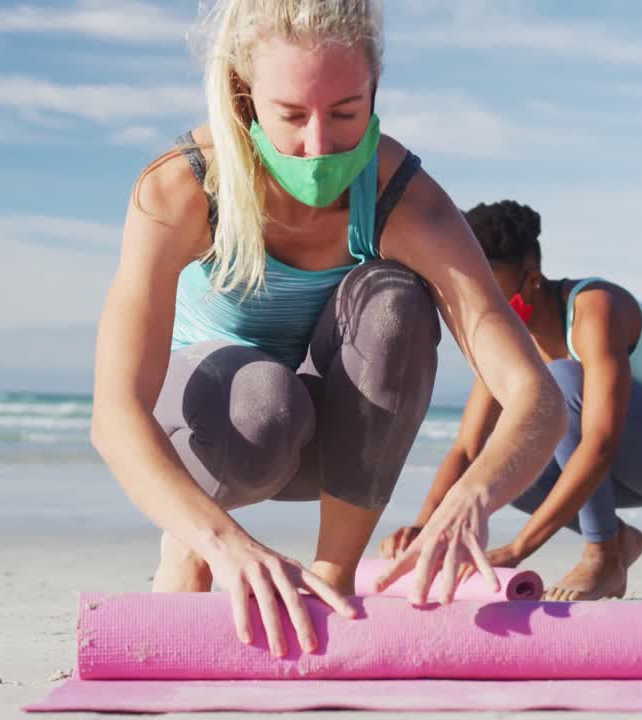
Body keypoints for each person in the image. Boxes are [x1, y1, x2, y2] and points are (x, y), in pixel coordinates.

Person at [89, 0, 567, 657]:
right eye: (290, 116)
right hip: (217, 440)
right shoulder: (184, 188)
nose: (320, 148)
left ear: (374, 90)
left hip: (337, 449)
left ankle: (333, 576)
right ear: (244, 94)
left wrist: (471, 499)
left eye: (345, 113)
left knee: (396, 301)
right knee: (264, 402)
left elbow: (537, 399)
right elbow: (113, 414)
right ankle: (187, 547)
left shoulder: (407, 202)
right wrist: (221, 543)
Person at [381, 201, 642, 600]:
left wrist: (517, 550)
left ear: (532, 280)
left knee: (559, 381)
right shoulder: (508, 338)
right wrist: (424, 530)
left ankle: (601, 556)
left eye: (496, 294)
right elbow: (467, 449)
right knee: (505, 463)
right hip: (629, 468)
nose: (486, 308)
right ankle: (618, 540)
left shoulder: (595, 308)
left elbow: (600, 444)